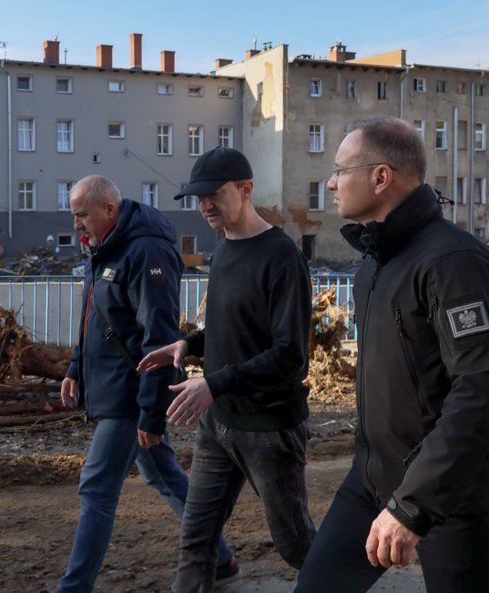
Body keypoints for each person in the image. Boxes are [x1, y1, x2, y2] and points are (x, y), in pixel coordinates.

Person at [293, 117, 489, 593]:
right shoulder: (373, 262)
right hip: (372, 480)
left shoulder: (452, 262)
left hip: (454, 495)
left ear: (380, 177)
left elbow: (481, 390)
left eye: (339, 170)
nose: (330, 183)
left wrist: (413, 504)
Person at [43, 175, 236, 593]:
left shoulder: (146, 250)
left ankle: (72, 588)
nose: (75, 223)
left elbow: (160, 339)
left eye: (81, 214)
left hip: (131, 395)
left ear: (108, 210)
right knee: (161, 472)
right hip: (113, 387)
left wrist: (150, 413)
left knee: (96, 487)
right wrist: (76, 367)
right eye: (73, 215)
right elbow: (96, 317)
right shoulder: (105, 248)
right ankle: (219, 557)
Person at [137, 147, 316, 592]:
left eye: (214, 194)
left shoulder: (281, 255)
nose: (205, 206)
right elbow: (230, 326)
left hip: (268, 427)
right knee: (195, 539)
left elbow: (290, 354)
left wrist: (213, 384)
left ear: (246, 189)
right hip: (218, 424)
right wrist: (189, 343)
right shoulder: (223, 250)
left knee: (298, 547)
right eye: (198, 198)